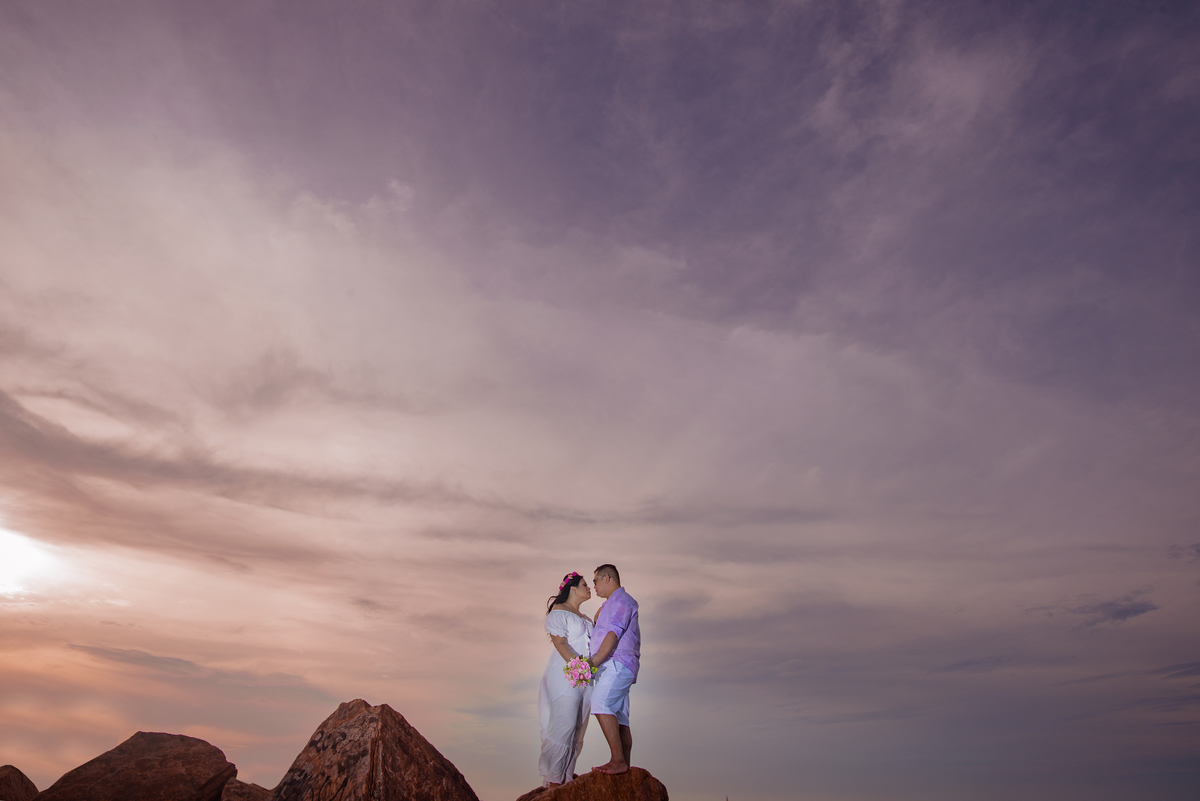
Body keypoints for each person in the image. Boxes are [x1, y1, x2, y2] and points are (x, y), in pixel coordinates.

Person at [538, 571, 595, 787]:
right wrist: (577, 667)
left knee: (578, 726)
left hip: (587, 678)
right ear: (572, 589)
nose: (589, 588)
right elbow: (560, 644)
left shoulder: (587, 619)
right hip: (566, 673)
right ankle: (553, 779)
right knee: (565, 723)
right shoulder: (559, 612)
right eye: (584, 585)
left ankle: (566, 775)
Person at [588, 563, 640, 775]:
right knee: (619, 716)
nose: (594, 586)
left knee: (600, 703)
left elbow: (613, 634)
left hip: (617, 663)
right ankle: (624, 764)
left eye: (595, 581)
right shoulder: (611, 603)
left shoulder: (622, 600)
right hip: (614, 665)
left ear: (607, 578)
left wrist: (594, 662)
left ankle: (618, 760)